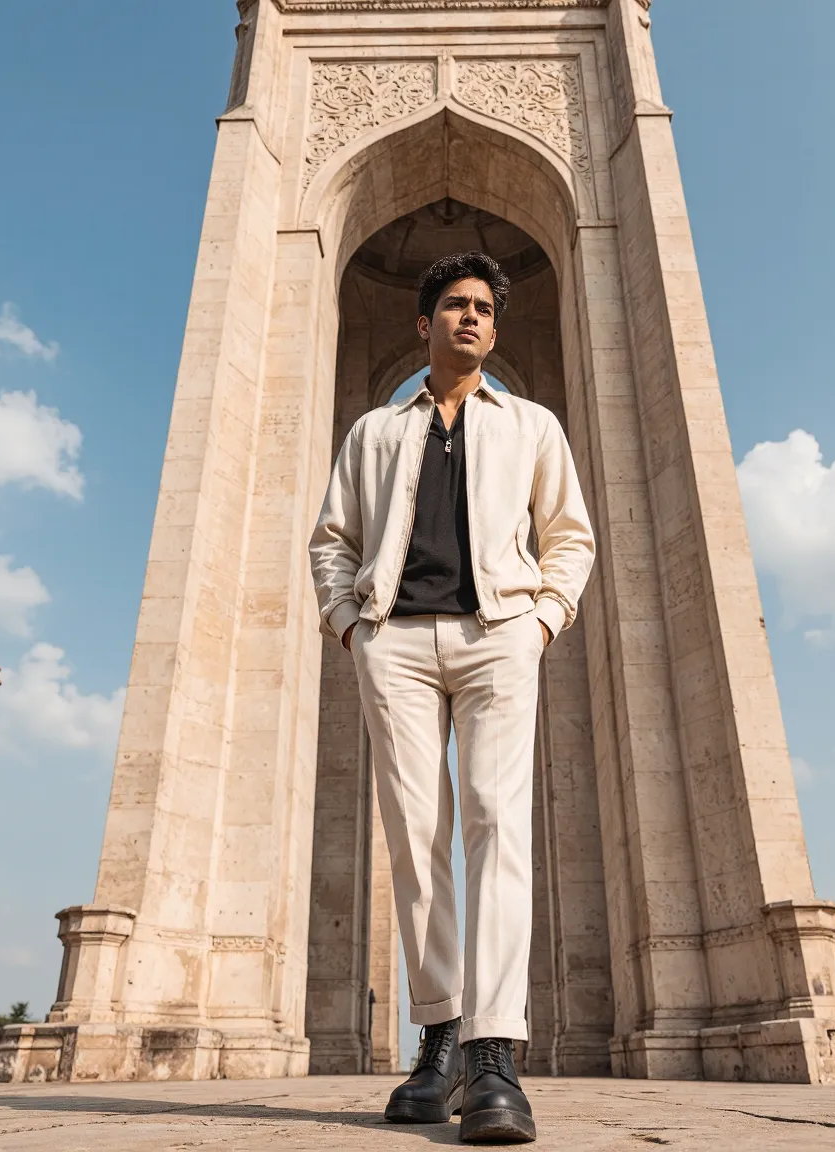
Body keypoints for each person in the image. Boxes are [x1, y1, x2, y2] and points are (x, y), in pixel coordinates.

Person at [309, 251, 595, 1144]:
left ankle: (493, 1056)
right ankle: (435, 1038)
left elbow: (570, 538)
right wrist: (349, 623)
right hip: (393, 638)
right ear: (422, 323)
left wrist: (544, 619)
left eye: (483, 308)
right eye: (454, 306)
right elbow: (332, 540)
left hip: (498, 636)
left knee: (498, 823)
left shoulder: (532, 426)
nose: (470, 318)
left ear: (494, 329)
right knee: (416, 834)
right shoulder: (374, 433)